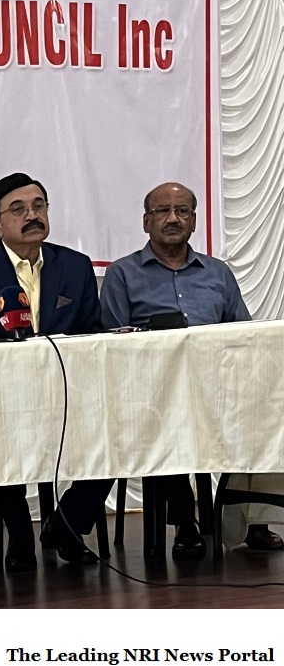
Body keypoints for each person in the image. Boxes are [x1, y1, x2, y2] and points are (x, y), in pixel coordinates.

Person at [100, 181, 284, 555]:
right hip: (152, 396)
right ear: (146, 221)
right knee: (165, 418)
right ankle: (186, 522)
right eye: (163, 211)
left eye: (182, 211)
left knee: (269, 414)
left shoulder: (217, 273)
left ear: (194, 221)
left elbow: (244, 335)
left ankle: (252, 518)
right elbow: (111, 344)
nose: (173, 219)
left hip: (218, 391)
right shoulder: (123, 274)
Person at [0, 172, 112, 568]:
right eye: (18, 210)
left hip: (68, 395)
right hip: (1, 401)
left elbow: (92, 334)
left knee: (117, 432)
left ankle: (66, 526)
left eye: (39, 206)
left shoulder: (75, 267)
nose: (32, 215)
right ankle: (20, 539)